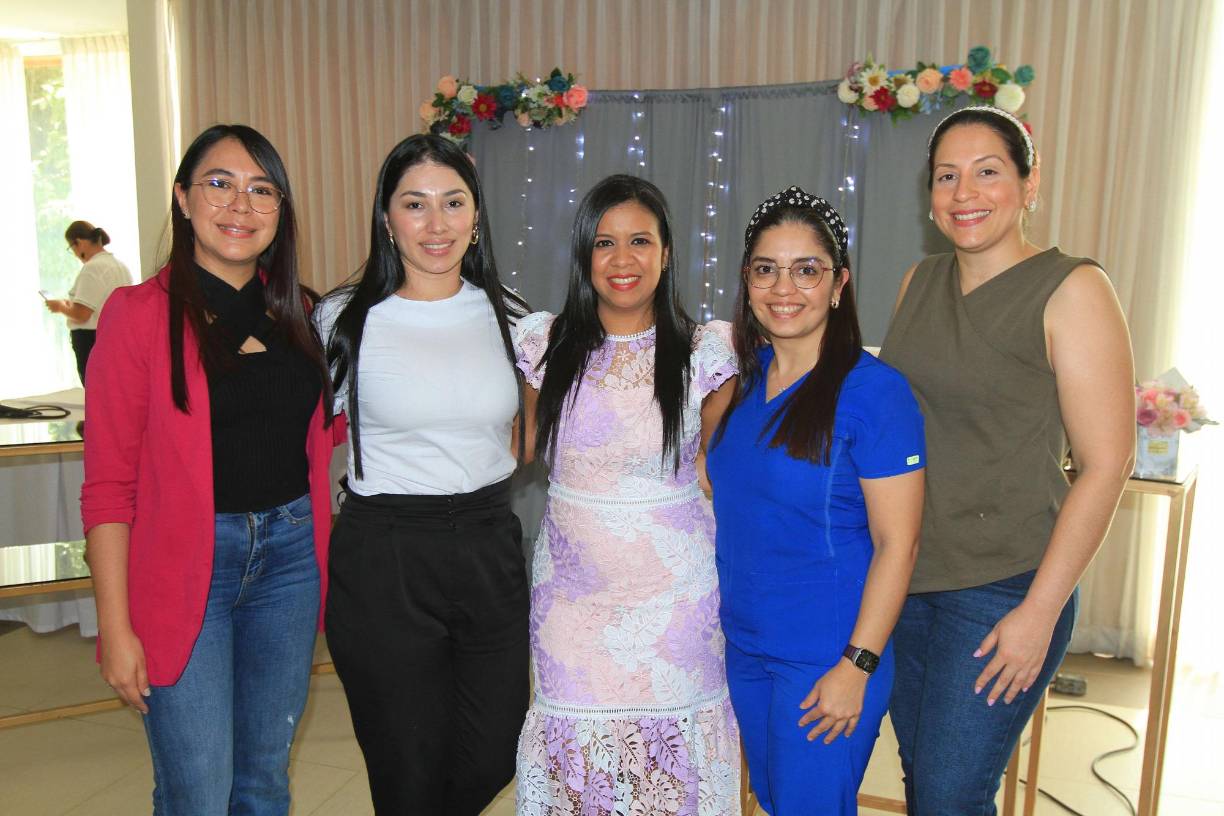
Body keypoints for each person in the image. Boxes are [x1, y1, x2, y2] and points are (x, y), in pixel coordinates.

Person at [879, 106, 1135, 815]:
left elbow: (1107, 463)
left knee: (949, 796)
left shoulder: (1072, 289)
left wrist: (1039, 612)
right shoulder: (917, 282)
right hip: (910, 577)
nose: (965, 193)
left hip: (1003, 589)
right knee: (926, 785)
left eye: (987, 172)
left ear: (1029, 183)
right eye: (947, 177)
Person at [80, 123, 338, 814]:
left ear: (280, 210)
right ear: (183, 198)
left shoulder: (302, 315)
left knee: (263, 782)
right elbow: (107, 488)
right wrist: (115, 628)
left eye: (262, 190)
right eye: (219, 184)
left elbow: (334, 430)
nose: (240, 206)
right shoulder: (137, 315)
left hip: (289, 562)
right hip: (182, 564)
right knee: (197, 791)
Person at [315, 133, 529, 815]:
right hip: (386, 556)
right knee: (407, 769)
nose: (436, 224)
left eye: (453, 203)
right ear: (387, 218)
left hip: (489, 544)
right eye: (415, 204)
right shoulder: (342, 320)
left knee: (496, 750)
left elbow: (534, 428)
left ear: (476, 215)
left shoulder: (512, 315)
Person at [513, 174, 741, 815]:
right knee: (578, 770)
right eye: (605, 242)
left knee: (671, 779)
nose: (623, 259)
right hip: (572, 604)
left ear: (666, 252)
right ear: (584, 254)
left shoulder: (705, 353)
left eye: (640, 241)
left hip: (676, 603)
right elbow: (518, 447)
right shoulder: (544, 343)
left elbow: (724, 470)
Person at [706, 187, 925, 815]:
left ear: (838, 284)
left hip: (827, 657)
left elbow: (899, 543)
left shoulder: (875, 394)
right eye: (766, 270)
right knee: (777, 801)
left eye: (807, 270)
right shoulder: (740, 384)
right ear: (747, 280)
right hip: (746, 648)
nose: (784, 288)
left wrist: (857, 665)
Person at [45, 221, 133, 385]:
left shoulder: (93, 268)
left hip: (91, 340)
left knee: (96, 389)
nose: (75, 254)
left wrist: (60, 307)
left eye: (72, 248)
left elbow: (82, 314)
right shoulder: (119, 266)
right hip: (117, 337)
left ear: (78, 243)